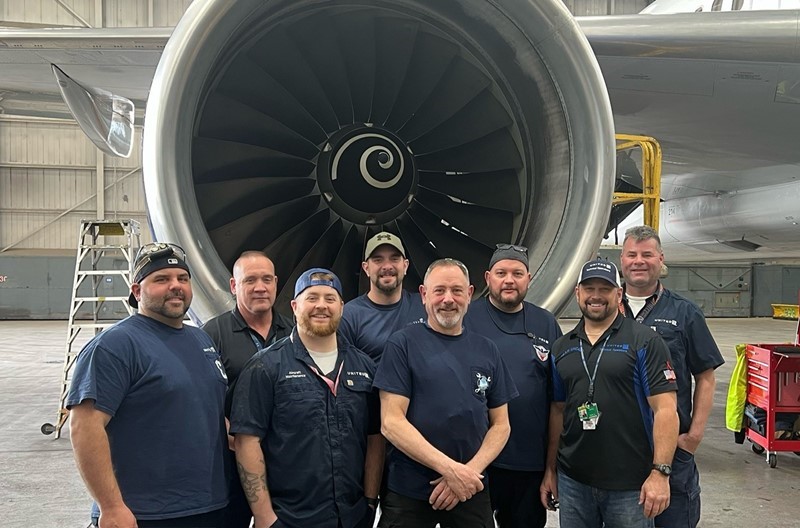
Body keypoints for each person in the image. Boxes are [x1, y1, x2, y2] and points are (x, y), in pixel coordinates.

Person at [67, 242, 229, 528]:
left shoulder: (201, 340)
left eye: (182, 278)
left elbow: (205, 412)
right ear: (137, 291)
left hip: (208, 506)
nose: (175, 286)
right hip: (144, 513)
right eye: (161, 279)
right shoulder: (114, 346)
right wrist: (112, 506)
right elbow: (84, 427)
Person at [230, 268, 383, 528]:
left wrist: (369, 501)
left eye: (330, 298)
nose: (321, 306)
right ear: (294, 305)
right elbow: (247, 442)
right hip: (290, 519)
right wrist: (266, 518)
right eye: (311, 298)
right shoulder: (265, 367)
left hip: (352, 517)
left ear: (342, 307)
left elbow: (374, 438)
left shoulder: (364, 368)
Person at [374, 258, 518, 527]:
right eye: (439, 291)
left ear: (470, 294)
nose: (448, 299)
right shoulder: (402, 345)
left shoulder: (487, 350)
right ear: (424, 295)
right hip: (410, 492)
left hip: (471, 489)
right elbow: (391, 422)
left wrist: (467, 474)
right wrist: (450, 470)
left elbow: (501, 425)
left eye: (457, 290)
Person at [540, 258, 678, 528]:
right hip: (574, 482)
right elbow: (558, 410)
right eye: (589, 288)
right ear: (577, 293)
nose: (596, 296)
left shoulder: (644, 341)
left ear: (619, 293)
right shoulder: (561, 348)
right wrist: (551, 470)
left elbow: (666, 409)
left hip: (629, 485)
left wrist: (660, 473)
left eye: (605, 289)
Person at [619, 225, 725, 527]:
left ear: (660, 259)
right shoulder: (606, 310)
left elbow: (705, 377)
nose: (639, 261)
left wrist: (694, 437)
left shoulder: (685, 313)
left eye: (647, 254)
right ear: (622, 261)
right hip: (618, 449)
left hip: (671, 448)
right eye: (632, 254)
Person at [464, 244, 562, 528]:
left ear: (529, 278)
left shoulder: (545, 322)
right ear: (487, 278)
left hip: (529, 463)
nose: (509, 280)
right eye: (501, 273)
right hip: (478, 461)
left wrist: (550, 468)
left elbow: (557, 400)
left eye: (517, 273)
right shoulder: (468, 318)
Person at [202, 250, 293, 528]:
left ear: (276, 283)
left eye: (267, 279)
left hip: (284, 465)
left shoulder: (293, 333)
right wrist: (238, 442)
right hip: (230, 466)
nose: (260, 288)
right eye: (250, 280)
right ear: (233, 286)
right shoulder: (211, 334)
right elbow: (203, 400)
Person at [340, 231, 426, 363]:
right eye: (378, 260)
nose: (387, 266)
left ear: (405, 265)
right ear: (366, 268)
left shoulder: (425, 305)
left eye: (394, 258)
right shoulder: (349, 316)